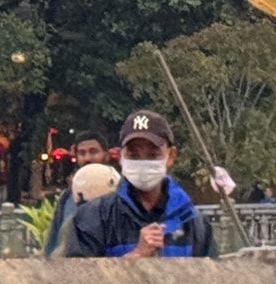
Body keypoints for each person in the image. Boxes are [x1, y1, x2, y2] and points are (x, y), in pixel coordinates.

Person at [67, 110, 215, 259]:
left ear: (170, 156)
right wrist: (136, 255)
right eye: (133, 155)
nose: (143, 162)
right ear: (120, 157)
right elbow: (77, 278)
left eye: (153, 154)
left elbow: (215, 279)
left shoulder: (193, 222)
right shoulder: (93, 218)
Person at [42, 129, 111, 256]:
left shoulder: (120, 193)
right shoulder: (67, 197)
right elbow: (53, 241)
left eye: (94, 151)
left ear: (106, 155)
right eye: (82, 153)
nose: (87, 158)